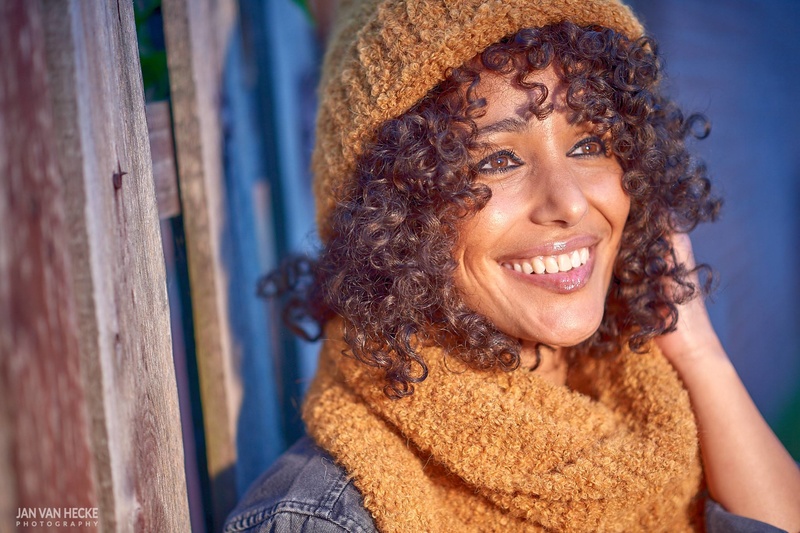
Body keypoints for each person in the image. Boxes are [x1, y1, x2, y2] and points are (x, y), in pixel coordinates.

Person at [224, 0, 800, 531]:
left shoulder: (651, 401)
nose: (570, 203)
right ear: (393, 213)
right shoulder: (325, 516)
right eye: (498, 160)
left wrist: (697, 351)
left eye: (589, 145)